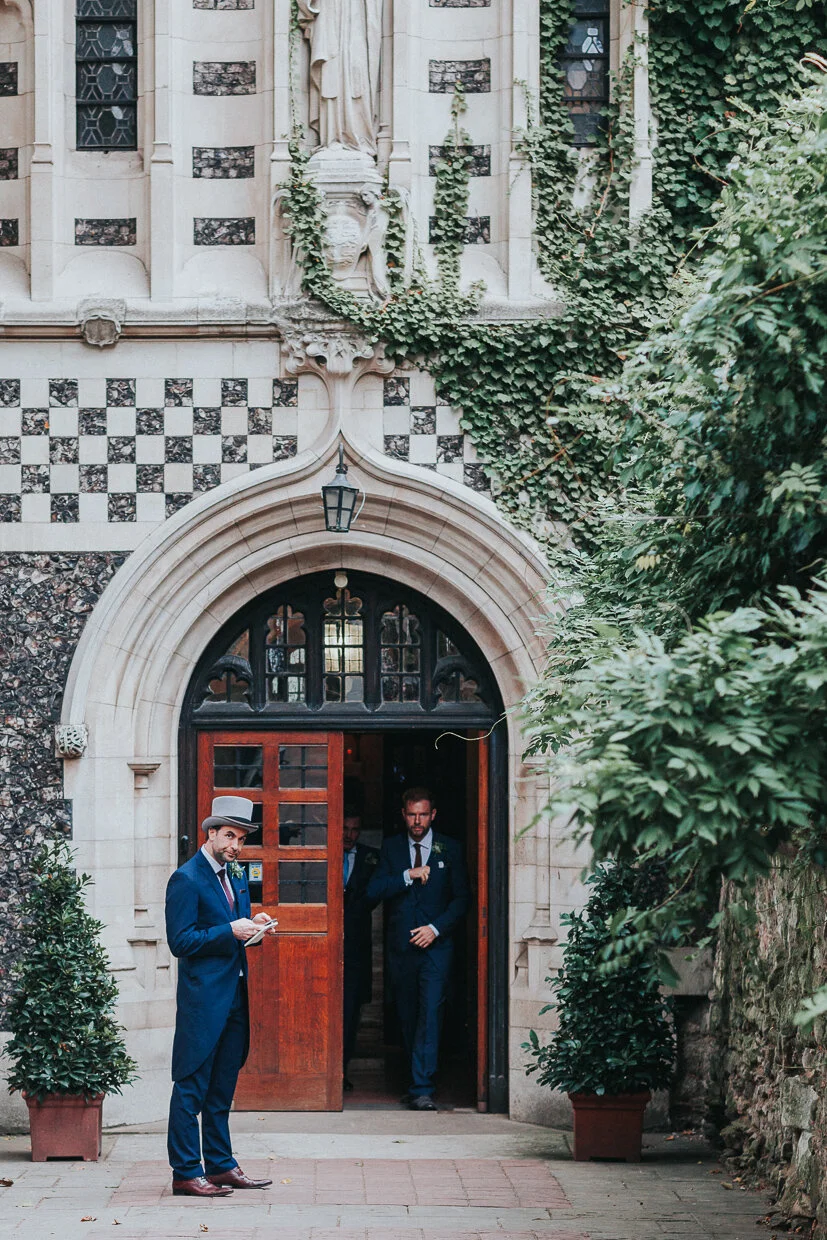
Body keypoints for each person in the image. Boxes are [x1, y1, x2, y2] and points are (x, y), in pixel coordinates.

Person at [165, 795, 277, 1197]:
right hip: (202, 1003)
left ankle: (221, 1165)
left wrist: (255, 927)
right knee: (190, 1087)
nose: (235, 845)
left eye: (241, 838)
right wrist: (231, 930)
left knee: (221, 1090)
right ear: (211, 833)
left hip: (234, 998)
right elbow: (180, 941)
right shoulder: (186, 878)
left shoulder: (235, 875)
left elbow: (235, 933)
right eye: (229, 835)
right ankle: (185, 1172)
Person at [367, 786, 469, 1110]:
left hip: (436, 949)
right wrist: (406, 875)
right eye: (412, 814)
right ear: (404, 814)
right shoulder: (392, 848)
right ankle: (416, 1081)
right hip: (401, 949)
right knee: (408, 1015)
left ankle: (422, 1087)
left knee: (430, 1013)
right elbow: (373, 891)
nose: (417, 821)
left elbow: (462, 899)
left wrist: (435, 929)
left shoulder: (450, 849)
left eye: (423, 814)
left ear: (433, 815)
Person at [342, 807, 379, 1090]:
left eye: (355, 830)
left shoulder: (370, 856)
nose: (350, 835)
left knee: (351, 1010)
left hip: (356, 946)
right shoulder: (324, 852)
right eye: (345, 829)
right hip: (325, 945)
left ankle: (341, 1072)